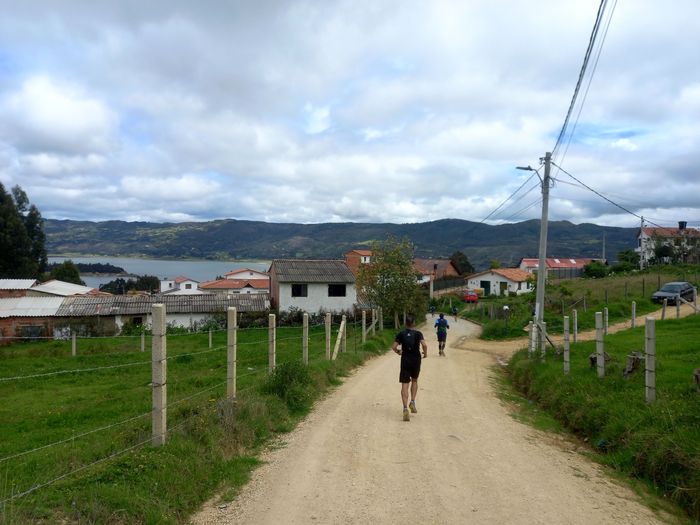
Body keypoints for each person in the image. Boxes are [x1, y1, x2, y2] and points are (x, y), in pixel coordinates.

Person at [392, 315, 428, 421]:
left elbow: (394, 347)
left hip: (405, 360)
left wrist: (398, 352)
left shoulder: (401, 334)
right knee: (415, 380)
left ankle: (405, 408)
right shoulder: (418, 334)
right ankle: (412, 402)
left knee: (405, 383)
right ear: (414, 323)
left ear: (405, 324)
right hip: (416, 360)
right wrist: (425, 354)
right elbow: (424, 345)